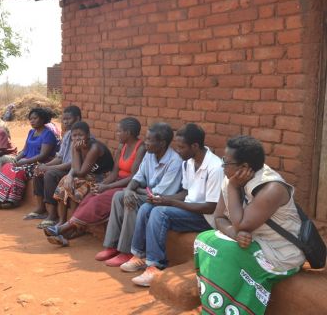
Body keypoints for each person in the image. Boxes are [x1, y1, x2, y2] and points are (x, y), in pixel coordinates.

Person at [194, 136, 305, 314]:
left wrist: (232, 188)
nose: (223, 166)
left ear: (244, 167)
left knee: (225, 252)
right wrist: (232, 233)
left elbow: (242, 225)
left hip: (280, 253)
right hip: (252, 241)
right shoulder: (231, 177)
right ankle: (216, 305)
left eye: (226, 162)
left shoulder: (271, 188)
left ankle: (234, 308)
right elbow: (219, 218)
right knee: (204, 240)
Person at [125, 123, 223, 287]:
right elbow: (185, 193)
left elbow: (210, 207)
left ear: (195, 146)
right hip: (189, 210)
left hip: (206, 218)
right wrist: (162, 198)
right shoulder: (188, 162)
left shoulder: (215, 167)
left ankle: (155, 265)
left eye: (181, 147)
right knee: (147, 208)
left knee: (160, 213)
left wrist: (170, 202)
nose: (177, 151)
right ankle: (139, 255)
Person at [43, 117, 145, 244]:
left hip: (129, 186)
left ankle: (62, 229)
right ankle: (66, 231)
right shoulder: (122, 146)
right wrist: (103, 185)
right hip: (115, 181)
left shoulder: (140, 148)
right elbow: (114, 173)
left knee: (97, 201)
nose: (116, 134)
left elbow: (133, 178)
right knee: (91, 195)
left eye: (119, 131)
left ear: (128, 133)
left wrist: (107, 187)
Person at [95, 122, 183, 267]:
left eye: (149, 140)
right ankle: (112, 246)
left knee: (131, 201)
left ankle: (127, 251)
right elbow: (138, 177)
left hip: (161, 200)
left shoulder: (174, 162)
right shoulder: (150, 155)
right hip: (148, 194)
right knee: (119, 196)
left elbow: (159, 193)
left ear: (162, 143)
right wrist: (129, 189)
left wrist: (133, 192)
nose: (145, 143)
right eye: (146, 139)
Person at [45, 121, 114, 246]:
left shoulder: (94, 148)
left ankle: (76, 228)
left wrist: (76, 152)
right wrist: (70, 176)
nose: (77, 138)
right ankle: (62, 221)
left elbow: (80, 171)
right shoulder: (75, 146)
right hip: (86, 175)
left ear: (88, 135)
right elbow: (75, 168)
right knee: (64, 182)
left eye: (80, 135)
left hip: (102, 178)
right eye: (74, 135)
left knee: (78, 188)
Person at [24, 105, 82, 228]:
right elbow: (60, 157)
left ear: (77, 119)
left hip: (74, 171)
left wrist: (49, 168)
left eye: (68, 119)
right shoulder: (67, 135)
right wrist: (44, 165)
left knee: (50, 174)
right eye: (63, 119)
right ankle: (41, 208)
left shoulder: (82, 136)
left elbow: (73, 163)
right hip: (64, 167)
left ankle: (53, 214)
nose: (65, 122)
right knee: (39, 170)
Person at [0, 107, 59, 209]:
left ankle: (13, 201)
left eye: (35, 118)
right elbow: (25, 150)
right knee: (7, 167)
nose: (32, 121)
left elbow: (43, 155)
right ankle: (3, 198)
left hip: (39, 163)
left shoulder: (48, 134)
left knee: (18, 171)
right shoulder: (31, 132)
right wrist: (16, 159)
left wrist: (25, 161)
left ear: (43, 119)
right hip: (27, 161)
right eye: (30, 119)